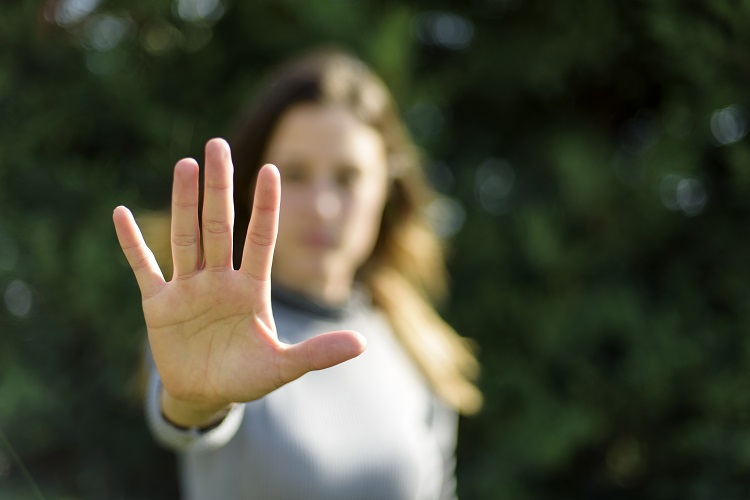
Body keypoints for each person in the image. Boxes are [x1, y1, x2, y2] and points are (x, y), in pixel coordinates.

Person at [113, 48, 481, 500]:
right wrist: (196, 401)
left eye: (347, 177)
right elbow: (188, 413)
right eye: (296, 174)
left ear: (386, 186)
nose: (322, 206)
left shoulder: (417, 344)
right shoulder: (213, 319)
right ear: (251, 185)